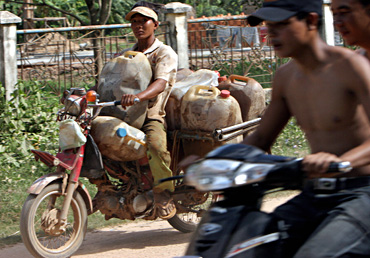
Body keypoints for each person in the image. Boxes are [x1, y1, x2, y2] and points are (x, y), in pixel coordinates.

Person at [243, 0, 370, 257]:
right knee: (249, 245)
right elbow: (262, 137)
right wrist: (209, 161)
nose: (271, 34)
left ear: (311, 21)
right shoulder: (285, 77)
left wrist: (339, 162)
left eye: (281, 25)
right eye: (269, 26)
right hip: (316, 193)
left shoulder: (350, 66)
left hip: (361, 192)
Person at [118, 1, 178, 219]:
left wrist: (137, 97)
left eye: (144, 21)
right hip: (125, 114)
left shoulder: (164, 52)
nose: (138, 25)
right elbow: (111, 81)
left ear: (156, 25)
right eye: (134, 21)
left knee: (155, 145)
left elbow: (161, 83)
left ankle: (164, 192)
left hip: (151, 114)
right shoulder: (127, 54)